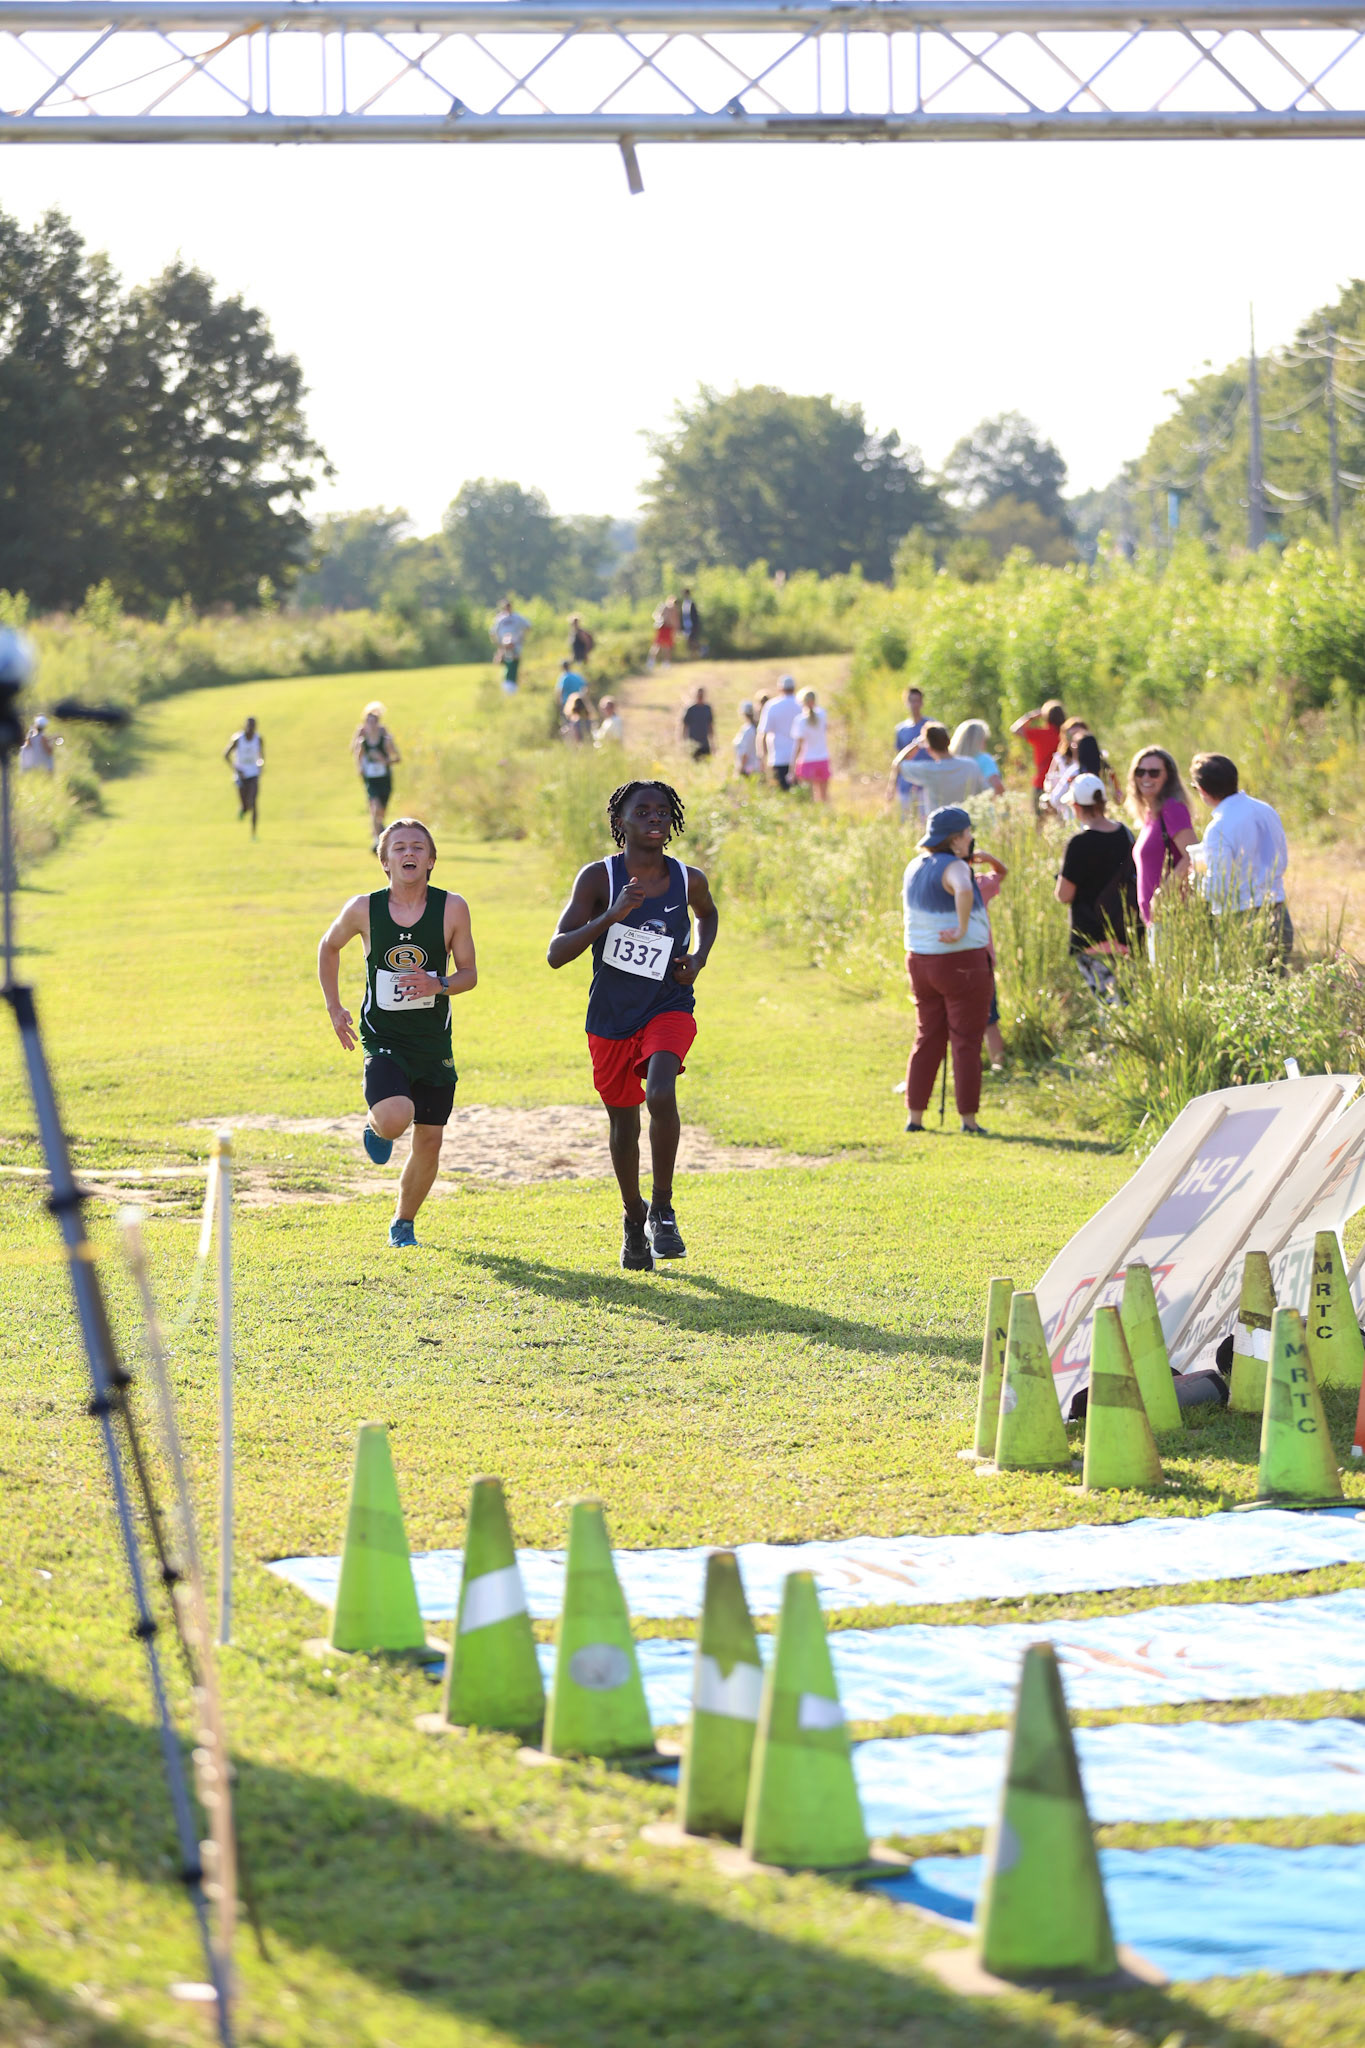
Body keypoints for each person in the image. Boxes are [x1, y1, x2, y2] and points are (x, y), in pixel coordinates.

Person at [547, 781, 719, 1271]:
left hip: (668, 1005)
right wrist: (612, 914)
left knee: (661, 1093)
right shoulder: (599, 878)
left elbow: (707, 915)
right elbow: (557, 953)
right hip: (610, 1019)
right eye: (642, 811)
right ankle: (633, 1216)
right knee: (624, 1124)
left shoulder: (689, 879)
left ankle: (662, 1208)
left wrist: (699, 958)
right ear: (620, 822)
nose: (655, 819)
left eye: (663, 811)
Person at [317, 817, 476, 1249]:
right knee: (394, 1118)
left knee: (430, 1138)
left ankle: (403, 1223)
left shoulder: (452, 908)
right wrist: (334, 1007)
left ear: (431, 860)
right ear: (384, 861)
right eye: (399, 847)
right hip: (383, 1036)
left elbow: (469, 974)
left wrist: (437, 983)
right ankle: (376, 1126)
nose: (409, 853)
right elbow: (329, 947)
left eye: (418, 847)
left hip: (433, 1042)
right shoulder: (363, 909)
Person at [902, 805, 995, 1136]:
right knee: (966, 1040)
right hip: (960, 963)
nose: (971, 838)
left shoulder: (915, 865)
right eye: (968, 833)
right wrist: (960, 927)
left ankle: (915, 1116)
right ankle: (968, 1119)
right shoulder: (955, 866)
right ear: (956, 839)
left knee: (928, 1035)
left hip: (920, 961)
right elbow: (965, 888)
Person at [1188, 752, 1293, 960]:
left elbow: (1218, 889)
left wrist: (1197, 879)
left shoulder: (1218, 827)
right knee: (1276, 987)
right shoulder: (1265, 809)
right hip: (1279, 913)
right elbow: (1281, 857)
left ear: (1202, 790)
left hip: (1242, 919)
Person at [1055, 772, 1139, 998]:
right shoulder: (1125, 833)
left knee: (1107, 1004)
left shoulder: (1079, 844)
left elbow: (1064, 895)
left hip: (1092, 936)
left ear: (1076, 806)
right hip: (1126, 932)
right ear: (1103, 802)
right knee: (1129, 1000)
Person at [1127, 745, 1197, 932]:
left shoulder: (1172, 809)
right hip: (1157, 919)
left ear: (1168, 777)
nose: (1146, 778)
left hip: (1173, 916)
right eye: (1140, 772)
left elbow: (1193, 855)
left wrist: (1164, 894)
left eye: (1154, 772)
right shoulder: (1151, 814)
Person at [889, 722, 985, 819]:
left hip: (939, 827)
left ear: (929, 749)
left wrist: (917, 744)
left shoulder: (929, 770)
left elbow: (897, 764)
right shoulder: (970, 764)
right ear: (948, 741)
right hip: (967, 823)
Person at [352, 702, 401, 846]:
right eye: (368, 722)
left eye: (373, 722)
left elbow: (397, 758)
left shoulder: (385, 740)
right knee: (374, 807)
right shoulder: (363, 741)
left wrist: (384, 760)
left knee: (381, 811)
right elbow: (357, 754)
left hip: (384, 779)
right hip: (371, 779)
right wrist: (360, 768)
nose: (371, 725)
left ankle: (379, 828)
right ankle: (376, 841)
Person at [1011, 700, 1066, 807]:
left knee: (1041, 820)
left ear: (1046, 717)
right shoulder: (1067, 734)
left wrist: (1030, 716)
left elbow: (1015, 730)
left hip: (1042, 781)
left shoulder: (1042, 734)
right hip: (1063, 783)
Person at [757, 675, 803, 791]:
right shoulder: (801, 705)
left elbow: (763, 734)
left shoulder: (771, 706)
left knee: (782, 792)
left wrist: (762, 758)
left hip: (778, 757)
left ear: (780, 688)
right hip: (800, 758)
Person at [223, 715, 264, 835]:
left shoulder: (258, 739)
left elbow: (262, 756)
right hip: (241, 775)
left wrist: (260, 765)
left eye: (253, 726)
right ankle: (243, 809)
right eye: (249, 726)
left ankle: (254, 834)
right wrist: (236, 769)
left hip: (253, 774)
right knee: (246, 806)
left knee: (254, 802)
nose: (251, 728)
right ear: (245, 726)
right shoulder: (238, 739)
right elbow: (226, 755)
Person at [893, 686, 930, 817]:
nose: (914, 704)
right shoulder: (901, 729)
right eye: (911, 701)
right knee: (906, 819)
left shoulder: (930, 726)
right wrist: (892, 785)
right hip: (906, 783)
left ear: (922, 702)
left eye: (917, 701)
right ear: (906, 703)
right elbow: (898, 758)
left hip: (926, 781)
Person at [791, 688, 831, 802]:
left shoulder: (799, 720)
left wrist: (792, 765)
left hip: (807, 760)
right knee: (824, 796)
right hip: (823, 758)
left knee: (809, 798)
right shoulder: (823, 714)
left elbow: (798, 745)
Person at [949, 719, 1004, 797]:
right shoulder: (984, 759)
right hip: (981, 806)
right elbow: (997, 785)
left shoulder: (952, 760)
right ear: (980, 739)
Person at [490, 599, 530, 692]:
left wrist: (522, 639)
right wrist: (499, 644)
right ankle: (508, 684)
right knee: (505, 663)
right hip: (504, 645)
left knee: (514, 663)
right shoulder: (500, 619)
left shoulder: (517, 617)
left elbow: (528, 626)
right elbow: (492, 633)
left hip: (515, 645)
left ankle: (512, 684)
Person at [647, 595, 682, 671]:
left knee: (667, 646)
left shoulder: (674, 609)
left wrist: (676, 630)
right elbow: (656, 615)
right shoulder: (664, 606)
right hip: (662, 628)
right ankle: (651, 662)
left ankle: (666, 663)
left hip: (669, 629)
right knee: (657, 645)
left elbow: (676, 621)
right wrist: (661, 619)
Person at [681, 687, 714, 760]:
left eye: (702, 695)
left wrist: (713, 743)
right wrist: (684, 742)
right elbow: (685, 726)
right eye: (699, 695)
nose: (700, 697)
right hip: (693, 744)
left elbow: (710, 725)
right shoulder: (690, 709)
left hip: (705, 744)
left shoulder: (707, 708)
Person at [732, 700, 760, 777]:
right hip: (752, 766)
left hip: (748, 768)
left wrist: (740, 767)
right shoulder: (751, 728)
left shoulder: (748, 730)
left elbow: (745, 752)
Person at [680, 588, 704, 657]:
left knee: (692, 640)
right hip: (686, 625)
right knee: (689, 641)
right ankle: (693, 654)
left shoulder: (691, 603)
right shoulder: (684, 603)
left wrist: (695, 625)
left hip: (692, 625)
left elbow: (695, 615)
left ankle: (702, 649)